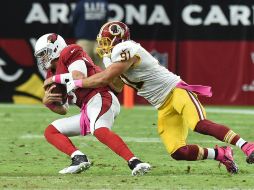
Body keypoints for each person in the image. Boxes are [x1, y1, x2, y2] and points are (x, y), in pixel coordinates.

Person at [48, 21, 254, 174]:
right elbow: (114, 85)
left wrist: (74, 82)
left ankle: (247, 146)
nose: (103, 45)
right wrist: (72, 82)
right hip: (162, 105)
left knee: (199, 124)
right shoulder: (112, 55)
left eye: (106, 41)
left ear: (117, 39)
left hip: (176, 91)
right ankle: (221, 154)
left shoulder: (126, 48)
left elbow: (107, 77)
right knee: (178, 152)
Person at [34, 33, 151, 175]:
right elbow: (63, 109)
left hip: (100, 96)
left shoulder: (69, 51)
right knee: (51, 131)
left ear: (55, 48)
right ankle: (78, 158)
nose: (42, 58)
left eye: (44, 53)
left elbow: (79, 77)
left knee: (99, 130)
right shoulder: (51, 74)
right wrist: (48, 103)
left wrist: (54, 79)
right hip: (88, 108)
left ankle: (135, 162)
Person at [71, 0, 108, 68]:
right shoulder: (104, 3)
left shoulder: (81, 3)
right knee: (101, 68)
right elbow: (106, 21)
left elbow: (73, 20)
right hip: (100, 40)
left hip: (84, 39)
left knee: (82, 66)